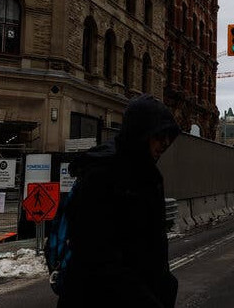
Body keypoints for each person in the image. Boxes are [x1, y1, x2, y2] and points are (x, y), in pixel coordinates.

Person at [59, 94, 180, 307]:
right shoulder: (102, 175)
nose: (165, 143)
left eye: (169, 136)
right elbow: (97, 257)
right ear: (141, 132)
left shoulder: (148, 174)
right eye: (160, 135)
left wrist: (167, 286)